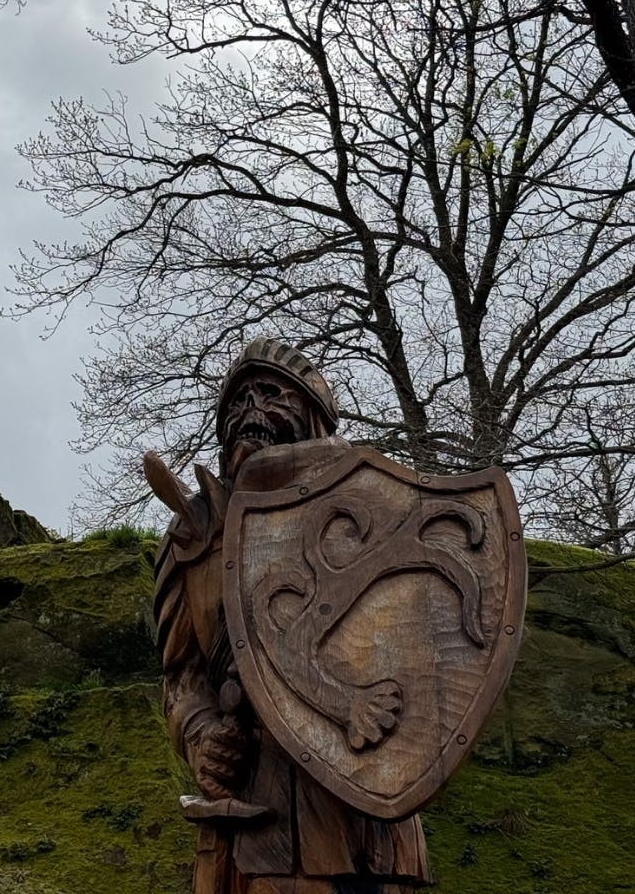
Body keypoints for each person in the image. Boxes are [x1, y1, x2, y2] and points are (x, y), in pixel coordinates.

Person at [151, 338, 432, 894]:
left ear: (314, 420)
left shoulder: (372, 512)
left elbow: (424, 654)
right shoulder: (193, 534)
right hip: (259, 813)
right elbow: (180, 675)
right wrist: (203, 734)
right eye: (236, 401)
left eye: (273, 395)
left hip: (372, 806)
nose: (249, 411)